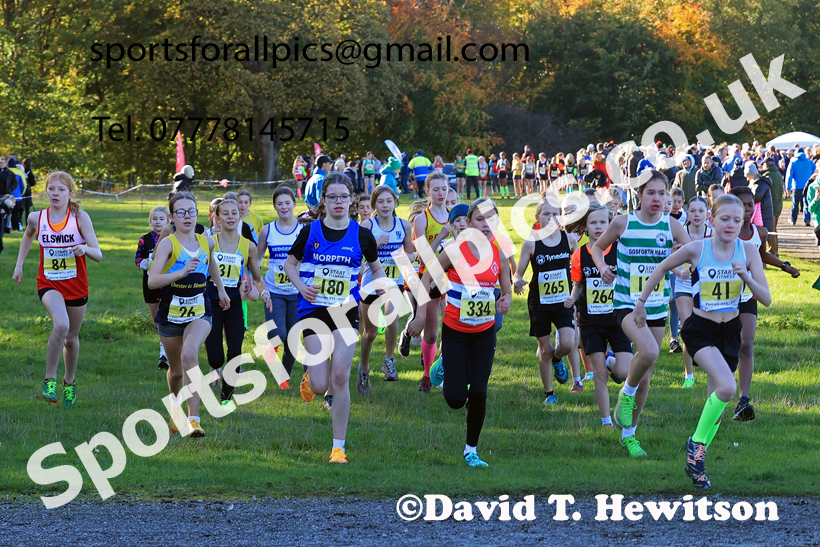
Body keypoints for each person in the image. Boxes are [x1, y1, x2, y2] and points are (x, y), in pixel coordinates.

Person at [632, 194, 771, 489]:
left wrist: (746, 276)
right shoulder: (698, 248)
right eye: (725, 219)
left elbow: (766, 298)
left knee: (717, 406)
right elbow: (661, 267)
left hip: (730, 330)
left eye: (738, 219)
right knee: (728, 387)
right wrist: (640, 303)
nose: (732, 224)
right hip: (700, 329)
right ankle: (695, 446)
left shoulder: (748, 251)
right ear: (711, 220)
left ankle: (696, 462)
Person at [283, 172, 384, 463]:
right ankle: (310, 378)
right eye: (332, 197)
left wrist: (373, 288)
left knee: (340, 376)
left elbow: (377, 269)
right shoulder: (310, 231)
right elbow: (291, 265)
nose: (338, 202)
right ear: (323, 201)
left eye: (343, 196)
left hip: (346, 310)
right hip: (313, 310)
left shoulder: (362, 235)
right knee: (319, 385)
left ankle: (338, 447)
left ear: (352, 200)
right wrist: (301, 286)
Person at [406, 198, 513, 467]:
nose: (486, 225)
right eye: (480, 219)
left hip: (485, 333)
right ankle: (444, 363)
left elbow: (507, 289)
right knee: (455, 399)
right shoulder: (454, 251)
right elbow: (427, 278)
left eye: (491, 220)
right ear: (469, 222)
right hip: (455, 332)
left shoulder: (498, 255)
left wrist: (506, 300)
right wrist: (420, 314)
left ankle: (471, 450)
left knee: (479, 390)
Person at [591, 170, 690, 457]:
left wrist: (684, 268)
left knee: (646, 376)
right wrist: (602, 267)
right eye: (651, 193)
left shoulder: (671, 226)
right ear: (640, 195)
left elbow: (689, 253)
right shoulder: (624, 222)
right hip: (625, 303)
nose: (658, 199)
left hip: (657, 305)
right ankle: (625, 393)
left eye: (663, 193)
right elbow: (597, 248)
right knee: (648, 351)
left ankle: (629, 435)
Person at [12, 172, 102, 408]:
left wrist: (83, 248)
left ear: (70, 193)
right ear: (45, 192)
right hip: (49, 282)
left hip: (76, 285)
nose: (55, 194)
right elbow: (28, 235)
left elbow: (98, 254)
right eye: (51, 189)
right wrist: (19, 264)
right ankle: (49, 379)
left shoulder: (80, 218)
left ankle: (69, 382)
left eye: (61, 190)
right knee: (61, 325)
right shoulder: (36, 217)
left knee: (71, 339)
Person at [149, 192, 230, 437]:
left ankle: (194, 419)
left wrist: (222, 289)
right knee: (175, 372)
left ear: (198, 214)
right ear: (172, 217)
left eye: (191, 211)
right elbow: (153, 281)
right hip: (170, 315)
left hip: (200, 312)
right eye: (181, 212)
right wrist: (181, 273)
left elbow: (210, 261)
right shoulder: (168, 243)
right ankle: (175, 406)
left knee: (190, 353)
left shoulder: (207, 241)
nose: (187, 216)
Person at [729, 186, 799, 423]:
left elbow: (760, 255)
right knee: (725, 346)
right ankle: (720, 393)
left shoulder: (760, 231)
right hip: (723, 296)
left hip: (748, 295)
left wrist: (784, 266)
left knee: (746, 343)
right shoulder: (723, 230)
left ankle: (743, 400)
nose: (747, 209)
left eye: (750, 205)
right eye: (742, 204)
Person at [563, 200, 632, 428]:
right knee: (599, 373)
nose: (599, 226)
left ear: (610, 223)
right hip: (591, 321)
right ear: (585, 226)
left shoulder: (620, 249)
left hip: (618, 319)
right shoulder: (579, 255)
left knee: (623, 371)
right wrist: (573, 298)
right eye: (593, 222)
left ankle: (612, 359)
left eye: (603, 221)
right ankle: (606, 422)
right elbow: (578, 285)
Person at [513, 194, 577, 404]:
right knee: (545, 349)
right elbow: (518, 273)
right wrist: (517, 280)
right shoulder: (531, 243)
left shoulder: (569, 239)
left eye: (555, 213)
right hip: (539, 303)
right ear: (538, 217)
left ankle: (558, 359)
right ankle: (549, 394)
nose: (551, 217)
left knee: (568, 343)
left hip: (563, 301)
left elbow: (579, 264)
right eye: (546, 213)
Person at [205, 198, 269, 404]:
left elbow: (257, 276)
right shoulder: (210, 242)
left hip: (234, 300)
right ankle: (216, 368)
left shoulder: (248, 246)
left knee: (234, 349)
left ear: (240, 216)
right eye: (225, 213)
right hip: (212, 300)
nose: (230, 217)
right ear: (217, 218)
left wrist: (264, 293)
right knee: (215, 357)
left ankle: (227, 396)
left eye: (234, 213)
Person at [358, 185, 414, 392]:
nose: (385, 205)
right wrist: (376, 246)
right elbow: (359, 259)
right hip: (370, 282)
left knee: (391, 318)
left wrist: (400, 255)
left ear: (395, 202)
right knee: (370, 333)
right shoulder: (367, 225)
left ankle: (388, 360)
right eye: (380, 202)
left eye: (389, 201)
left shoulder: (404, 225)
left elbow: (411, 255)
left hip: (394, 282)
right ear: (374, 205)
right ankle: (363, 369)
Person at [406, 172, 451, 392]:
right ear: (427, 192)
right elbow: (423, 256)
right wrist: (442, 236)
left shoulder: (454, 216)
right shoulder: (422, 219)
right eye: (436, 189)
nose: (441, 193)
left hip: (451, 278)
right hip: (429, 278)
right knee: (432, 333)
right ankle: (426, 374)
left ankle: (441, 367)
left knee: (451, 326)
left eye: (444, 188)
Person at [258, 187, 303, 387]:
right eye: (279, 203)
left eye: (287, 203)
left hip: (297, 292)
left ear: (294, 204)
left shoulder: (304, 230)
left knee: (293, 339)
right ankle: (270, 350)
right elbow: (255, 261)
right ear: (274, 206)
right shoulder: (267, 230)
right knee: (279, 335)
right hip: (274, 291)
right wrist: (259, 287)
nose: (283, 207)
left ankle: (283, 376)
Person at [672, 196, 712, 387]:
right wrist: (680, 271)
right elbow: (667, 261)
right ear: (688, 213)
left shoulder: (714, 234)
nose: (697, 215)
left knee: (707, 331)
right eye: (693, 211)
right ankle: (689, 376)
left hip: (707, 288)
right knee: (688, 328)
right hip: (684, 286)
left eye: (701, 211)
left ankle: (711, 365)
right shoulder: (680, 233)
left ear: (707, 214)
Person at [136, 206, 171, 369]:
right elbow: (138, 257)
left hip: (169, 284)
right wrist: (141, 263)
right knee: (157, 321)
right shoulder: (144, 239)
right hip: (150, 285)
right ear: (150, 221)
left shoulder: (173, 239)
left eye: (161, 219)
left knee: (168, 319)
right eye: (155, 219)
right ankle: (164, 349)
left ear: (168, 220)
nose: (158, 222)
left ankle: (164, 354)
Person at [761, 157, 784, 255]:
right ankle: (775, 250)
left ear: (766, 165)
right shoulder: (778, 174)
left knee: (771, 229)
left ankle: (772, 251)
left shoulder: (767, 175)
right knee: (774, 229)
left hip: (771, 205)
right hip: (778, 204)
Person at [785, 147, 814, 226]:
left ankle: (793, 219)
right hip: (808, 186)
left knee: (795, 204)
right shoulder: (810, 162)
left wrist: (788, 187)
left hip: (797, 186)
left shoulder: (793, 162)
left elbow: (789, 176)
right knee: (806, 203)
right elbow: (815, 171)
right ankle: (807, 220)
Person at [745, 162, 774, 232]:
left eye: (748, 176)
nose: (747, 179)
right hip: (763, 214)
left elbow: (755, 197)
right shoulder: (759, 183)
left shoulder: (761, 184)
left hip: (763, 215)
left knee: (763, 236)